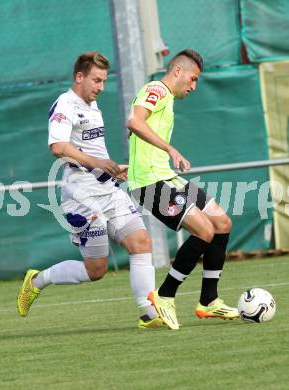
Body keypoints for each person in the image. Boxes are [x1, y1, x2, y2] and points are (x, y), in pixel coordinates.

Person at [17, 51, 165, 329]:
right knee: (95, 270)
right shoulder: (66, 105)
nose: (100, 87)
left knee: (141, 242)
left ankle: (149, 313)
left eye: (104, 81)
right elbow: (58, 147)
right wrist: (97, 163)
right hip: (81, 197)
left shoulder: (92, 105)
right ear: (79, 77)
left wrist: (111, 168)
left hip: (108, 190)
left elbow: (92, 150)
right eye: (96, 80)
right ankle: (37, 280)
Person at [127, 49, 239, 330]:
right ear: (178, 71)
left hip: (166, 176)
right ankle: (164, 296)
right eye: (193, 79)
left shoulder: (167, 99)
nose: (193, 86)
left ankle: (209, 301)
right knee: (204, 230)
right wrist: (169, 148)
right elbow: (134, 121)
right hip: (149, 183)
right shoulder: (156, 89)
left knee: (222, 222)